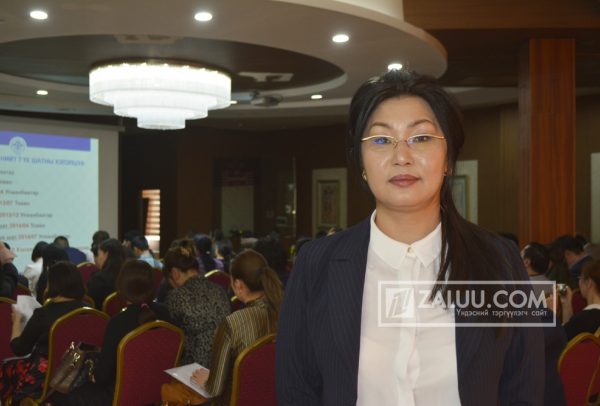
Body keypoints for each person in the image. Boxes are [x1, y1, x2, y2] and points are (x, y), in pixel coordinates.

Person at [276, 70, 543, 405]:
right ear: (361, 162)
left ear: (448, 159)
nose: (401, 156)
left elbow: (525, 386)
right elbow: (297, 389)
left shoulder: (499, 260)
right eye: (381, 140)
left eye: (421, 138)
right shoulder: (317, 264)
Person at [52, 260, 171, 405]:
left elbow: (102, 377)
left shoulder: (118, 322)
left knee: (63, 395)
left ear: (121, 287)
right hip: (158, 392)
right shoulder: (165, 314)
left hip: (119, 396)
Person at [189, 249, 283, 406]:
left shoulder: (232, 323)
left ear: (238, 285)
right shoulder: (284, 313)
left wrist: (208, 381)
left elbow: (215, 389)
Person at [0, 262, 86, 402]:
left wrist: (17, 321)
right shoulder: (91, 313)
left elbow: (19, 349)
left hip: (47, 379)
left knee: (6, 368)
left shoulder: (44, 314)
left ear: (52, 284)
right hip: (81, 375)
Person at [162, 246, 230, 367]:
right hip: (224, 365)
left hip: (192, 370)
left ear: (175, 273)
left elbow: (169, 338)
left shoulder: (177, 296)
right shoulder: (220, 290)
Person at [556, 259, 600, 340]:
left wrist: (551, 313)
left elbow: (555, 341)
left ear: (589, 283)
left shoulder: (584, 319)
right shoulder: (585, 319)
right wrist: (566, 304)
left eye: (580, 278)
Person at [86, 238, 126, 309]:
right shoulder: (129, 274)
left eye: (98, 254)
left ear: (106, 254)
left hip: (101, 315)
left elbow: (90, 303)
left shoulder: (98, 279)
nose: (96, 259)